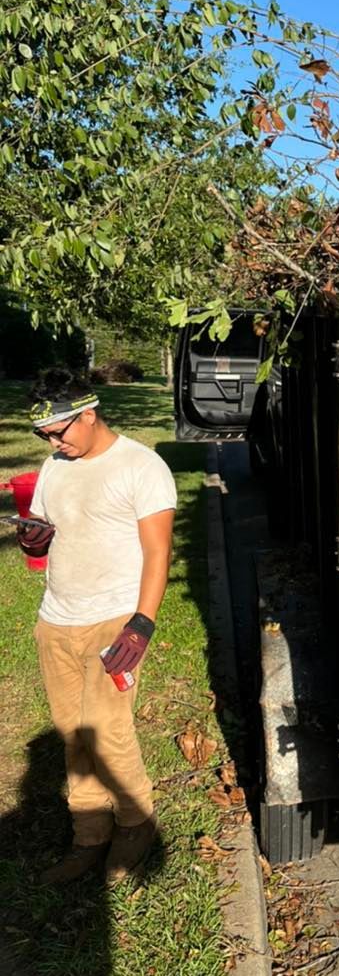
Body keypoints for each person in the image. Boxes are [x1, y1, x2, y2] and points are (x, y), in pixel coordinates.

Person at [16, 367, 177, 886]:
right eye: (44, 434)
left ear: (89, 414)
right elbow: (42, 536)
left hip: (114, 622)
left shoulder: (141, 466)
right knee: (72, 732)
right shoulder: (54, 467)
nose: (53, 442)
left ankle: (136, 823)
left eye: (59, 430)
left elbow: (158, 551)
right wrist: (33, 540)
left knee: (107, 730)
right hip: (56, 620)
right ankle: (89, 833)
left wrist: (142, 624)